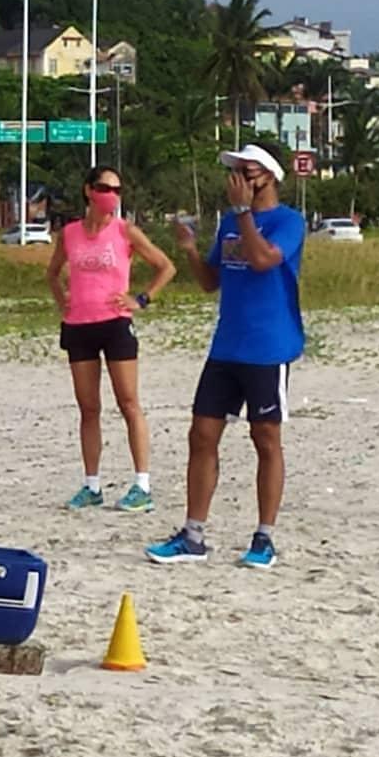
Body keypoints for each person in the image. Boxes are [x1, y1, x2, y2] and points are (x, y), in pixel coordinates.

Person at [146, 141, 305, 569]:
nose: (238, 179)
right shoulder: (231, 224)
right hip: (227, 346)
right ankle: (193, 534)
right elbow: (210, 282)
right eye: (235, 171)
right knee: (201, 434)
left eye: (247, 171)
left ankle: (264, 537)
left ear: (269, 175)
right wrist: (192, 251)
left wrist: (243, 213)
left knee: (265, 438)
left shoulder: (288, 221)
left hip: (269, 347)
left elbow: (263, 260)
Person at [46, 165, 176, 514]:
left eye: (118, 190)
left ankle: (142, 484)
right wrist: (63, 302)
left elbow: (166, 266)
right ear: (89, 190)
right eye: (106, 188)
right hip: (79, 325)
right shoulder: (70, 233)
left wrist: (142, 299)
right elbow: (52, 273)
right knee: (89, 408)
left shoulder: (125, 231)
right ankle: (92, 485)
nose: (112, 196)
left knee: (129, 403)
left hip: (116, 323)